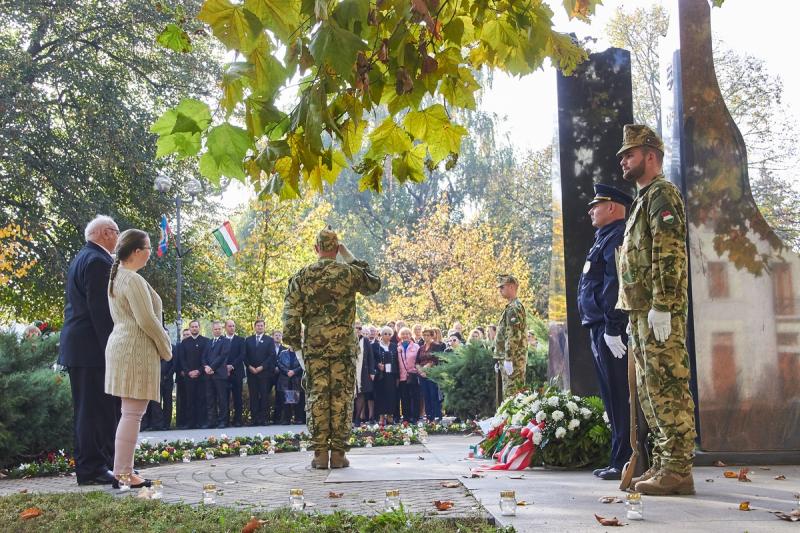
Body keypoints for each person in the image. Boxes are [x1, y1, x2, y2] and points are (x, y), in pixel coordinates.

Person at [616, 124, 696, 496]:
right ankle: (665, 464)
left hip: (658, 311)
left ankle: (679, 468)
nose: (623, 162)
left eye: (629, 155)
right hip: (642, 312)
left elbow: (669, 252)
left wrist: (663, 305)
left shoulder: (662, 195)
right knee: (651, 390)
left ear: (651, 156)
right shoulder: (645, 198)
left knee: (668, 387)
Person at [283, 227, 381, 469]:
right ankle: (338, 453)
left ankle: (319, 454)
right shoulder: (348, 273)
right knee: (341, 398)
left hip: (315, 349)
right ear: (336, 249)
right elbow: (374, 284)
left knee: (317, 397)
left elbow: (290, 315)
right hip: (343, 348)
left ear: (316, 249)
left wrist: (295, 344)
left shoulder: (302, 277)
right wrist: (350, 257)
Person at [105, 228, 172, 489]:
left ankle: (123, 470)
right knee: (133, 414)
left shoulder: (118, 276)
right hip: (134, 349)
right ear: (135, 252)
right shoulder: (130, 279)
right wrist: (166, 347)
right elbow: (146, 320)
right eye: (147, 248)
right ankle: (123, 473)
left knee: (129, 413)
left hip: (124, 345)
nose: (150, 253)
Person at [578, 183, 634, 481]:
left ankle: (626, 459)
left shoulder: (617, 236)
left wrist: (613, 328)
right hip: (599, 327)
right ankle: (619, 456)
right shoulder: (604, 238)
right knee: (611, 395)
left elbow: (615, 284)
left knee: (618, 393)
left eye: (596, 206)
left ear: (612, 207)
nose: (590, 211)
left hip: (611, 331)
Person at [58, 215, 120, 486]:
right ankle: (93, 467)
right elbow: (102, 313)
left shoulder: (82, 257)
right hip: (92, 349)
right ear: (107, 232)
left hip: (82, 348)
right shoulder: (98, 261)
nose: (118, 240)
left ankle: (98, 463)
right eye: (117, 233)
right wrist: (115, 347)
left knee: (90, 409)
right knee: (93, 410)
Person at [495, 274, 527, 397]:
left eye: (502, 287)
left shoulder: (514, 308)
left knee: (512, 396)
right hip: (511, 358)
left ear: (512, 287)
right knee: (510, 394)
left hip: (514, 359)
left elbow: (513, 335)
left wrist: (508, 358)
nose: (500, 290)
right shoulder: (512, 306)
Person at [245, 319, 277, 426]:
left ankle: (264, 419)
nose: (259, 327)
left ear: (264, 327)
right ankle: (254, 419)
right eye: (258, 325)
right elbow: (244, 355)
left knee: (264, 396)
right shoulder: (248, 340)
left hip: (264, 373)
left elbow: (272, 355)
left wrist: (261, 367)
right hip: (251, 372)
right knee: (253, 396)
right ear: (254, 327)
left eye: (261, 325)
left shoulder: (269, 340)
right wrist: (249, 366)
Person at [179, 320, 209, 429]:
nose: (194, 328)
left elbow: (206, 359)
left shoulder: (206, 341)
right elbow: (182, 360)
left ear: (199, 328)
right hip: (189, 376)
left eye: (196, 326)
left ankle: (201, 422)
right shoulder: (185, 342)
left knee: (201, 399)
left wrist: (199, 371)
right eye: (192, 327)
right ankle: (190, 422)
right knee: (189, 399)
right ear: (190, 328)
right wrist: (188, 372)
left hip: (202, 375)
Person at [202, 321, 231, 428]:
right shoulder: (209, 342)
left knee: (222, 399)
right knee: (210, 398)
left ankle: (223, 421)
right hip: (208, 375)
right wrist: (206, 367)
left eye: (219, 329)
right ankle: (211, 421)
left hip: (219, 374)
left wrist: (212, 367)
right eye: (215, 329)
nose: (217, 330)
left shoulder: (226, 341)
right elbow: (203, 356)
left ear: (222, 329)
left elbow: (222, 356)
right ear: (212, 330)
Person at [373, 326, 399, 425]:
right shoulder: (375, 346)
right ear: (381, 334)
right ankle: (381, 417)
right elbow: (372, 359)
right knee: (380, 395)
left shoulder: (394, 346)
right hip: (380, 375)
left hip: (391, 375)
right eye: (385, 334)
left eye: (389, 334)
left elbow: (397, 361)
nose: (387, 336)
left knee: (391, 395)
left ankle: (389, 416)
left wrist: (397, 376)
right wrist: (378, 365)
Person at [224, 319, 246, 426]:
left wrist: (231, 366)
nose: (232, 328)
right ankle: (225, 420)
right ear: (225, 327)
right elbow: (219, 356)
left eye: (233, 326)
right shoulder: (222, 340)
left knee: (237, 397)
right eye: (229, 326)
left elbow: (242, 355)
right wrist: (225, 367)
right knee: (224, 398)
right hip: (223, 373)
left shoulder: (241, 340)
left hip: (237, 372)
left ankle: (238, 420)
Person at [396, 327, 421, 423]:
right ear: (400, 336)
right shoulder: (398, 347)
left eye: (407, 334)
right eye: (403, 334)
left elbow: (419, 361)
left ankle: (415, 417)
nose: (405, 335)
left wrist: (416, 370)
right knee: (404, 397)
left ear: (410, 335)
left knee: (415, 397)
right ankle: (406, 417)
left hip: (413, 375)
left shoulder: (416, 346)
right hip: (402, 376)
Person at [417, 327, 442, 421]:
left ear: (432, 336)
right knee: (426, 395)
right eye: (424, 335)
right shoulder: (421, 348)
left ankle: (437, 416)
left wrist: (427, 368)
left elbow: (436, 359)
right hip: (422, 374)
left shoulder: (436, 346)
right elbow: (417, 361)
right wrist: (420, 370)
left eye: (428, 335)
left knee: (433, 395)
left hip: (432, 374)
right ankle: (429, 416)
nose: (426, 337)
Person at [354, 325, 377, 424]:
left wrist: (372, 371)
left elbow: (370, 357)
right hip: (350, 371)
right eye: (355, 328)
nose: (358, 330)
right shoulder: (347, 341)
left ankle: (357, 418)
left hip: (363, 371)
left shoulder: (365, 341)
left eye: (359, 329)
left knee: (361, 393)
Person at [277, 346, 303, 424]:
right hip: (285, 379)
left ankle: (298, 419)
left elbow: (302, 365)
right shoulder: (283, 353)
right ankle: (286, 419)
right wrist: (287, 371)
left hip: (297, 379)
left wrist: (294, 371)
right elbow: (279, 363)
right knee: (286, 400)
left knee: (297, 400)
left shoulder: (300, 353)